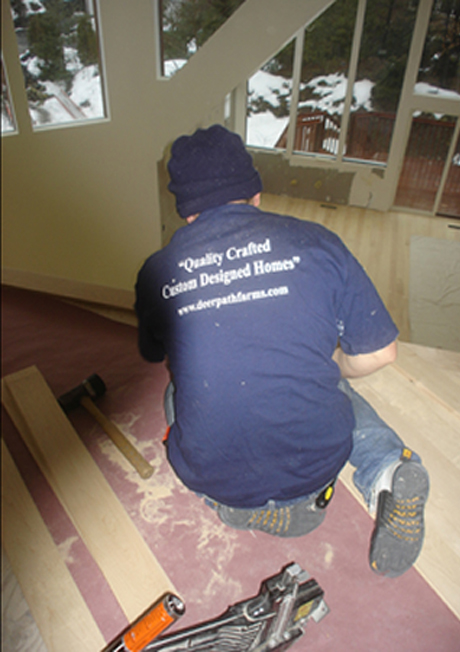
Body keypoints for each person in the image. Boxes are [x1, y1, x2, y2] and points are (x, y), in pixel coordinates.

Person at [135, 124, 429, 578]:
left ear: (187, 213)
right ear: (255, 194)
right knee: (329, 384)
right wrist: (332, 365)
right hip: (314, 473)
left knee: (178, 392)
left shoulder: (157, 272)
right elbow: (382, 352)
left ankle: (240, 507)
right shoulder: (317, 242)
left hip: (221, 483)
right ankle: (388, 469)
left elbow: (154, 355)